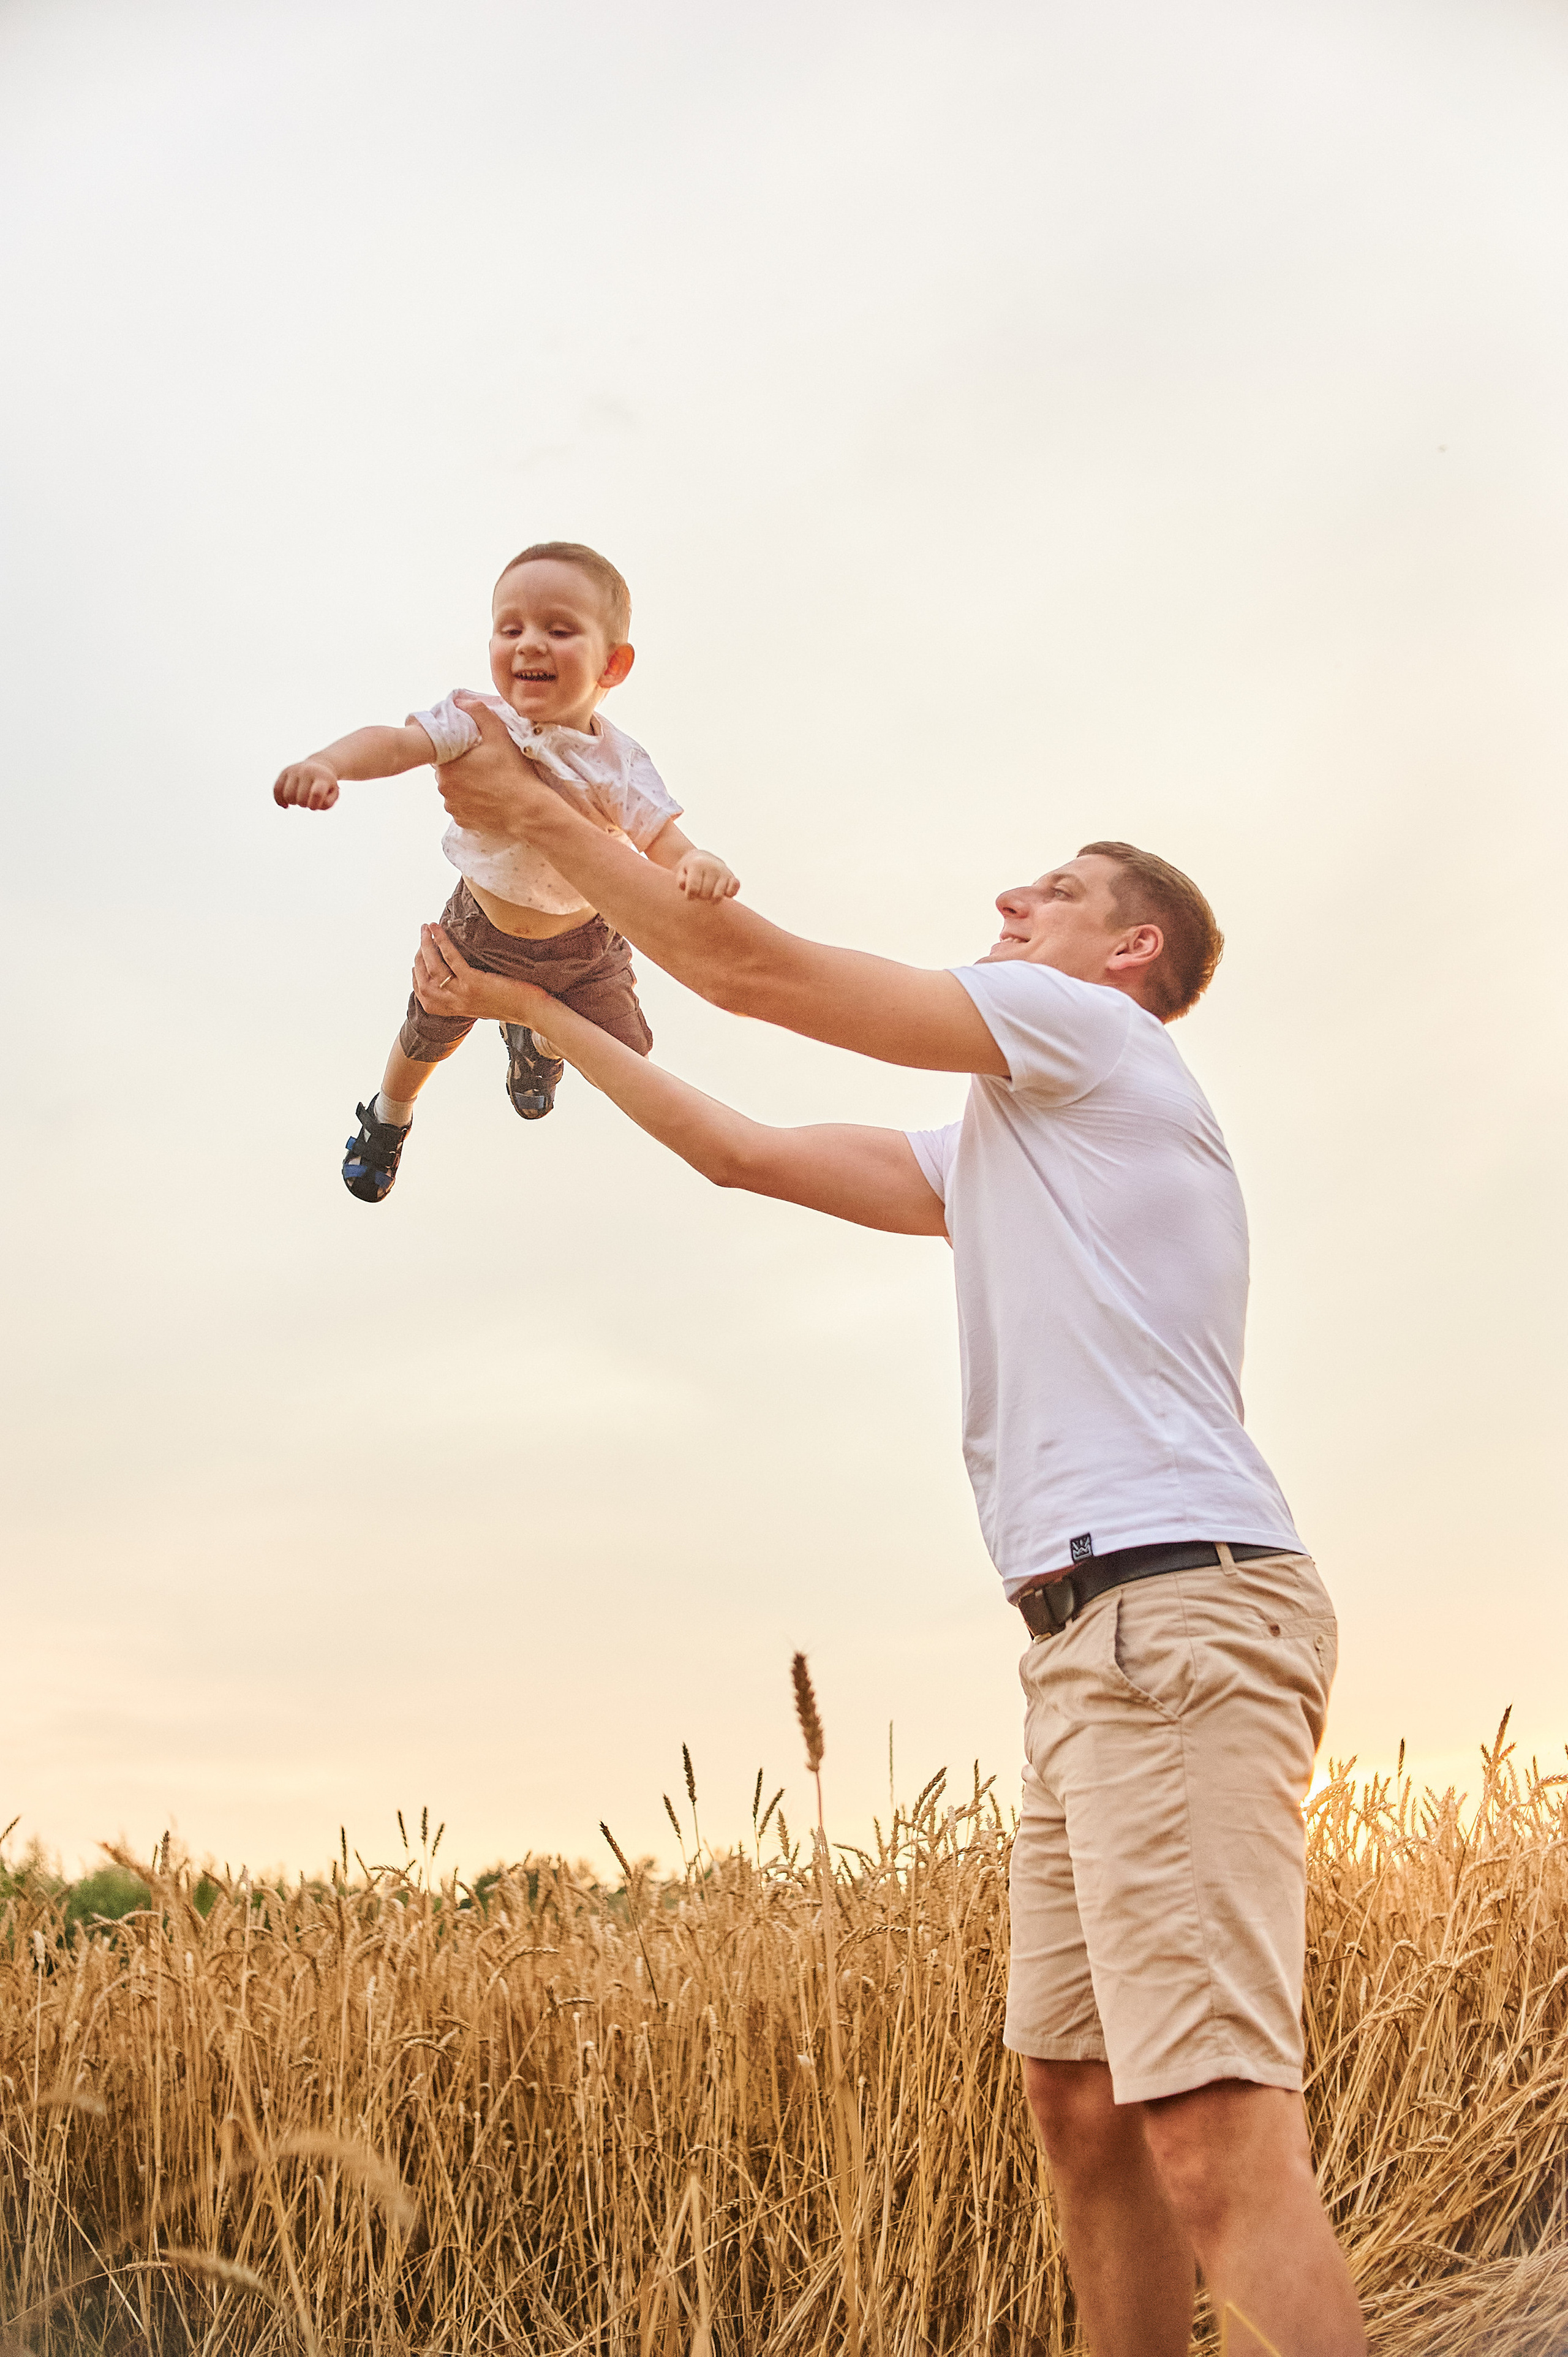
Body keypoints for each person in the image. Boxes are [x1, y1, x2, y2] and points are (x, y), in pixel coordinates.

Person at [407, 705, 1366, 2357]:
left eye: (1054, 889)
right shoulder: (1011, 1137)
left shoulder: (1085, 1031)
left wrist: (542, 818)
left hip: (1173, 1617)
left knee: (1214, 2136)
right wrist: (528, 1006)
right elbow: (742, 1150)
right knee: (1078, 2099)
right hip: (1093, 1642)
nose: (1009, 897)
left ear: (1127, 950)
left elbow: (751, 969)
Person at [271, 540, 737, 1202]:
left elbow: (661, 836)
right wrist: (329, 763)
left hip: (586, 945)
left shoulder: (619, 763)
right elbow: (398, 743)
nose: (529, 644)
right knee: (425, 1033)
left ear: (613, 663)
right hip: (480, 931)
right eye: (510, 628)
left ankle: (537, 1046)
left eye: (559, 629)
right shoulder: (477, 722)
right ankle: (388, 1117)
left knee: (627, 1054)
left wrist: (696, 863)